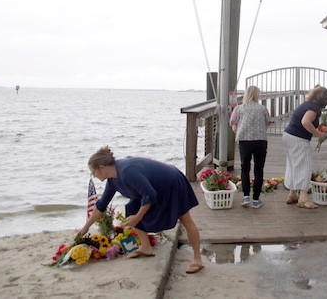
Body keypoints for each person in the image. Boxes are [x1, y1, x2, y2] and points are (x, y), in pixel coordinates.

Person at [79, 146, 204, 274]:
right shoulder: (112, 181)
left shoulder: (127, 171)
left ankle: (197, 259)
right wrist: (85, 228)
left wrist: (137, 218)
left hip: (171, 182)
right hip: (154, 188)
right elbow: (101, 205)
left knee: (186, 220)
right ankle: (145, 247)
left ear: (102, 168)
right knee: (131, 208)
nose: (94, 176)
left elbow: (149, 195)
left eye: (93, 173)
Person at [282, 85, 327, 209]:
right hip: (298, 139)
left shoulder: (305, 105)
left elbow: (306, 121)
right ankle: (303, 198)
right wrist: (319, 134)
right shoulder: (313, 108)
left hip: (288, 135)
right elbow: (305, 122)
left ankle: (292, 194)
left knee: (293, 165)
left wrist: (317, 127)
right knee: (305, 165)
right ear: (323, 100)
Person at [230, 86, 272, 209]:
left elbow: (233, 125)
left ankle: (246, 196)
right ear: (257, 95)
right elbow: (267, 124)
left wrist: (240, 133)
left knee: (244, 168)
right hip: (260, 141)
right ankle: (256, 199)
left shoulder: (239, 108)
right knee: (259, 169)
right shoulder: (263, 109)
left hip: (244, 141)